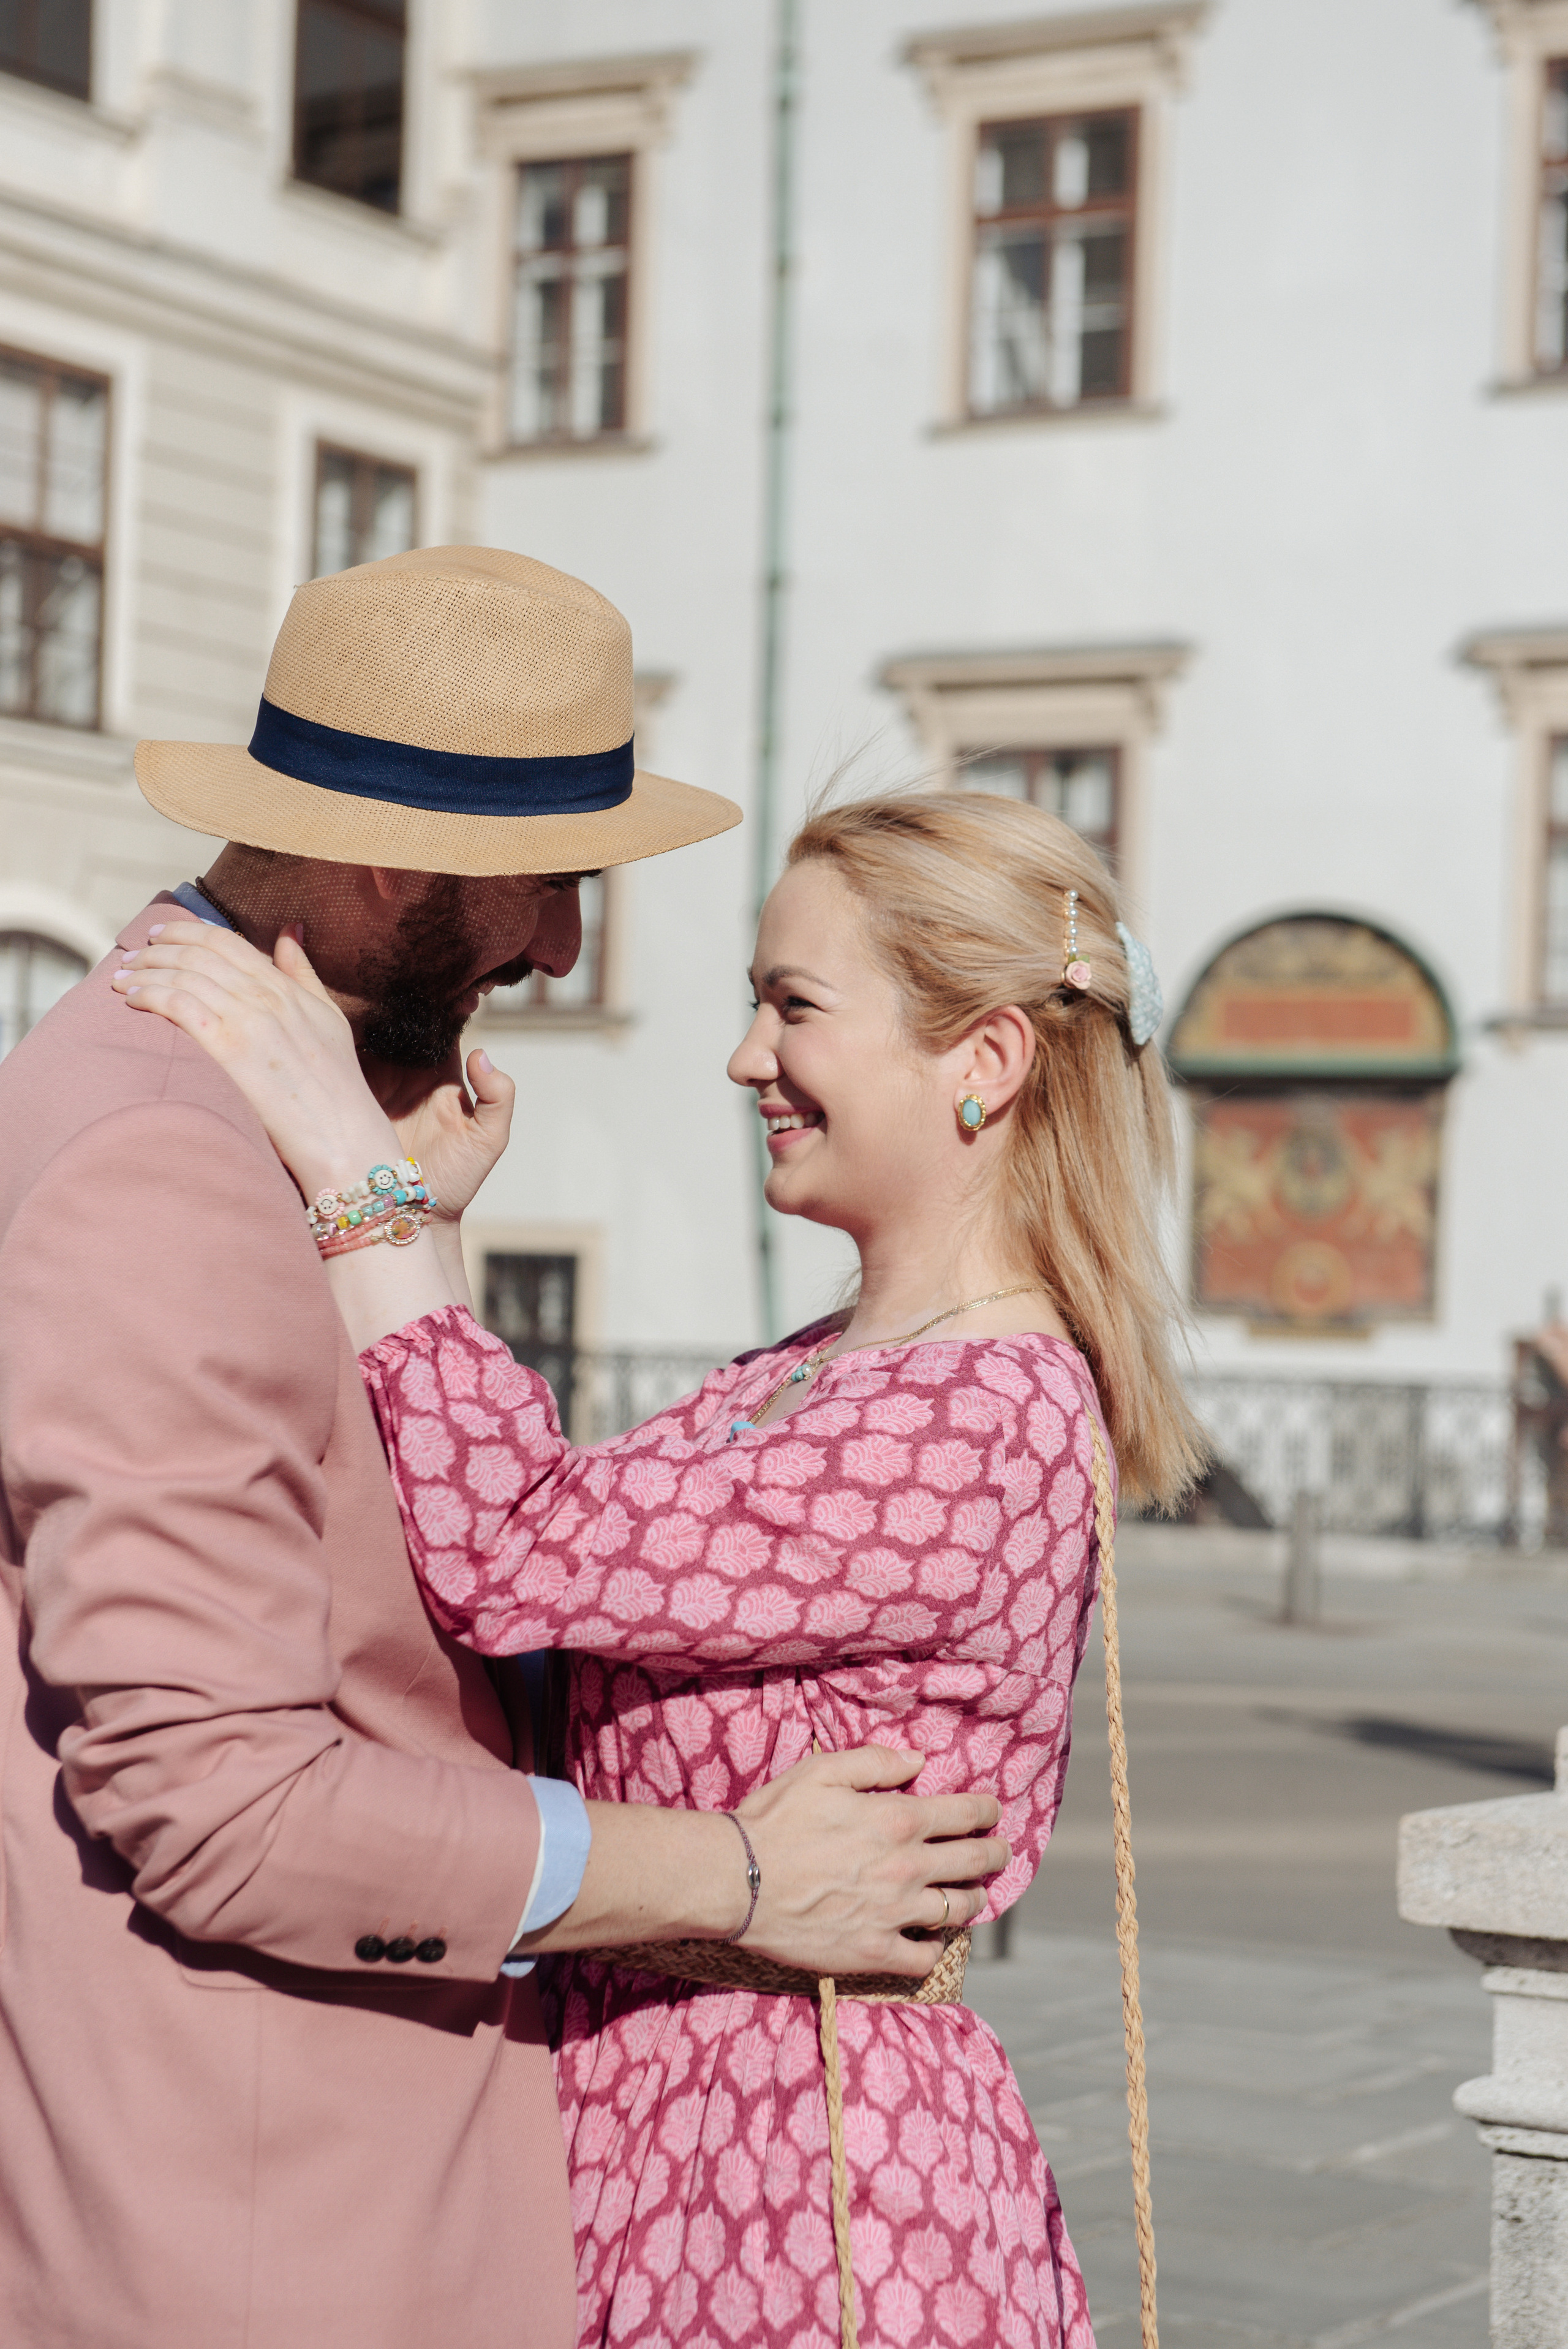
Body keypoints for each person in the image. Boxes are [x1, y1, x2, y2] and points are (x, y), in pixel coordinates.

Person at [0, 546, 1008, 2349]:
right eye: (553, 884)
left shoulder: (248, 1120)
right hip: (281, 2236)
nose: (557, 944)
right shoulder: (164, 1153)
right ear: (400, 861)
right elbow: (228, 1805)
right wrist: (747, 1877)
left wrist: (402, 1235)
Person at [116, 784, 1202, 2349]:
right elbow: (538, 1607)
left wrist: (359, 1180)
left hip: (818, 2192)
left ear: (983, 1063)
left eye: (793, 1006)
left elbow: (509, 1546)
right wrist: (421, 1233)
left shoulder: (983, 1409)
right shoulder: (819, 1365)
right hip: (680, 2131)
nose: (745, 1057)